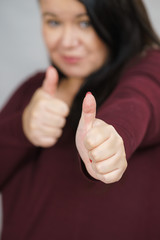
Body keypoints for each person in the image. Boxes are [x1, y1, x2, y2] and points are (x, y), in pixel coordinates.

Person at [0, 0, 160, 239]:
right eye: (53, 21)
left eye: (84, 23)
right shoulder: (33, 90)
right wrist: (22, 128)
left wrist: (111, 136)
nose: (66, 42)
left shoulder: (150, 67)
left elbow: (139, 100)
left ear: (117, 20)